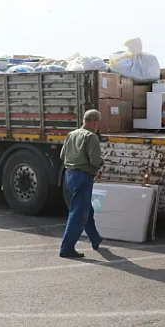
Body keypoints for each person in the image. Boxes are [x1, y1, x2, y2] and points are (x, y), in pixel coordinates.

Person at [59, 109, 104, 258]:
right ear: (95, 122)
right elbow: (95, 160)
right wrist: (100, 163)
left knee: (86, 209)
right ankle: (67, 247)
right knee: (79, 213)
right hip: (83, 176)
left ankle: (95, 238)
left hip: (69, 175)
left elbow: (61, 155)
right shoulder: (91, 137)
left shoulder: (72, 134)